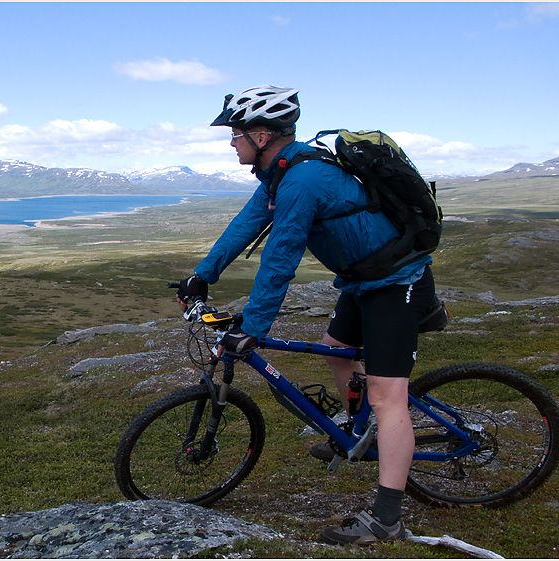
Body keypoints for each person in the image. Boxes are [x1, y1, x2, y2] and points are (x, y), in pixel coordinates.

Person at [175, 85, 437, 546]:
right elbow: (246, 225)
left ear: (260, 135)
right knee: (337, 350)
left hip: (399, 285)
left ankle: (387, 518)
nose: (230, 141)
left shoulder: (301, 180)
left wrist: (252, 330)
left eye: (235, 133)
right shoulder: (280, 173)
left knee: (387, 398)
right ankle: (361, 435)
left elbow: (281, 258)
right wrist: (202, 275)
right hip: (363, 281)